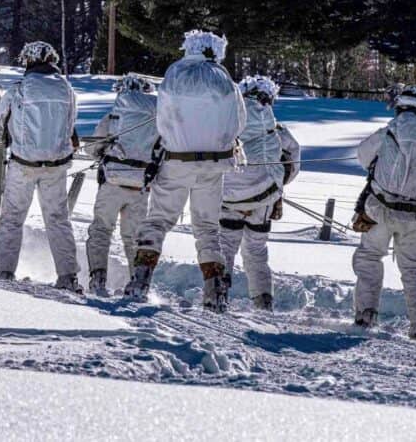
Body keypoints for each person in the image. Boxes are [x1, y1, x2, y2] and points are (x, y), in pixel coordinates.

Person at [124, 30, 246, 310]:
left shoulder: (175, 74)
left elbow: (161, 119)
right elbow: (239, 122)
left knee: (158, 221)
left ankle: (140, 281)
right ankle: (215, 291)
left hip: (176, 160)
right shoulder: (223, 79)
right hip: (214, 164)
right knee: (207, 227)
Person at [352, 85, 416, 342]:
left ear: (402, 105)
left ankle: (366, 314)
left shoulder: (393, 128)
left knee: (369, 258)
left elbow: (364, 155)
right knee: (415, 268)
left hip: (380, 208)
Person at [0, 41, 82, 292]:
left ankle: (5, 271)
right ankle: (68, 275)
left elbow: (3, 119)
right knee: (58, 219)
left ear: (28, 61)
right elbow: (71, 122)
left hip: (23, 164)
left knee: (12, 218)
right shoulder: (67, 89)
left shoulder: (19, 88)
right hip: (56, 165)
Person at [219, 75, 301, 311]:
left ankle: (218, 294)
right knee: (256, 251)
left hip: (229, 198)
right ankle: (263, 301)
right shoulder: (277, 131)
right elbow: (293, 163)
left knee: (224, 248)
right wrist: (276, 188)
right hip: (264, 200)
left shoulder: (229, 126)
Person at [84, 72, 159, 295]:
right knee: (134, 237)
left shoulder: (115, 116)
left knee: (101, 230)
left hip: (113, 182)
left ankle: (98, 278)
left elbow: (92, 148)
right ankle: (136, 282)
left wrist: (102, 153)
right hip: (140, 186)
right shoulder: (156, 119)